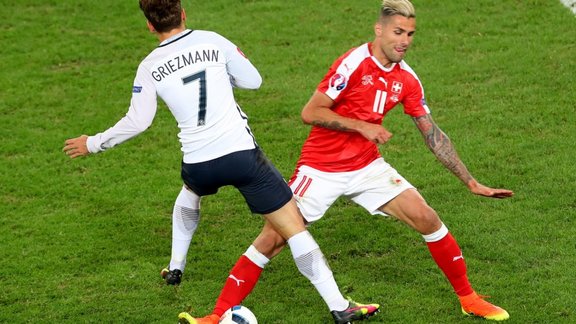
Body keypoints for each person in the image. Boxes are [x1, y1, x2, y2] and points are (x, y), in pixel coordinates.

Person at [187, 0, 514, 322]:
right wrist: (361, 126)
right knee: (273, 239)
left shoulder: (407, 79)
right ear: (379, 29)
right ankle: (217, 315)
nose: (404, 41)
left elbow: (432, 134)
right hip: (320, 168)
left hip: (367, 167)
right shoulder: (353, 64)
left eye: (410, 34)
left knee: (426, 217)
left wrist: (470, 181)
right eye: (398, 32)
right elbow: (310, 112)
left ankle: (469, 299)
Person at [62, 0, 380, 323]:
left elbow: (138, 121)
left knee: (190, 192)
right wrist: (224, 78)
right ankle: (340, 306)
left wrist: (92, 143)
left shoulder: (149, 66)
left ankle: (175, 266)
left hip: (198, 163)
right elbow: (253, 80)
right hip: (242, 158)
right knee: (294, 229)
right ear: (182, 13)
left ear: (149, 25)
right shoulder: (212, 41)